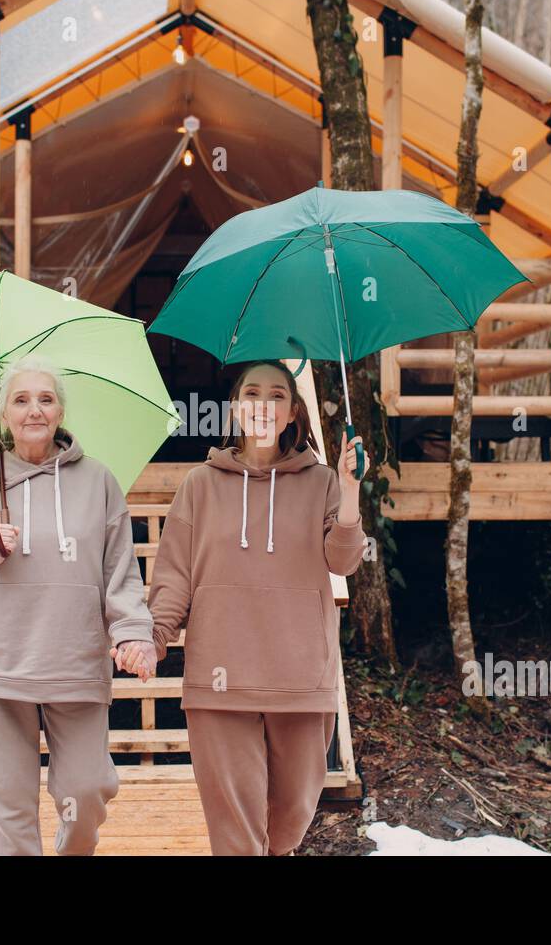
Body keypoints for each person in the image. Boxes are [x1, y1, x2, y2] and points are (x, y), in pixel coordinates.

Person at [134, 358, 367, 855]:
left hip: (301, 676)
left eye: (277, 395)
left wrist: (350, 491)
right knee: (237, 833)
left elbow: (343, 562)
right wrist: (153, 639)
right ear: (236, 408)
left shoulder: (323, 481)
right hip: (220, 678)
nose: (264, 404)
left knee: (293, 814)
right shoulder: (201, 484)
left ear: (292, 413)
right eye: (252, 394)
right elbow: (174, 576)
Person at [0, 354, 156, 855]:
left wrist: (133, 633)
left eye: (46, 399)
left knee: (86, 793)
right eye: (21, 399)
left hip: (75, 664)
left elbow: (120, 573)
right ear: (3, 416)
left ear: (60, 412)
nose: (35, 410)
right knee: (7, 813)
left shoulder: (98, 481)